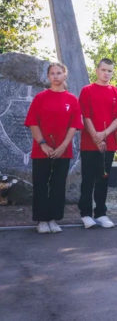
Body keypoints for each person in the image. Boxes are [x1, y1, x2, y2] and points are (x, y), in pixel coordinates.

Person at [24, 62, 83, 234]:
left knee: (58, 185)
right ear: (48, 76)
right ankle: (42, 220)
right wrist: (42, 144)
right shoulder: (40, 98)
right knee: (41, 184)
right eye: (52, 73)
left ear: (65, 75)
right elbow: (32, 122)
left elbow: (74, 125)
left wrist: (64, 145)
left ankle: (53, 219)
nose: (56, 76)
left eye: (59, 73)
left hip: (63, 150)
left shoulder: (72, 99)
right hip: (41, 149)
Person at [78, 58, 117, 229]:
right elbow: (86, 116)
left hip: (109, 143)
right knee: (88, 179)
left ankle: (100, 213)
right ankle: (85, 213)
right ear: (97, 70)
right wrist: (96, 137)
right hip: (89, 143)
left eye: (110, 71)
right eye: (104, 70)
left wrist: (105, 135)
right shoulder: (87, 91)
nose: (106, 73)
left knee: (103, 179)